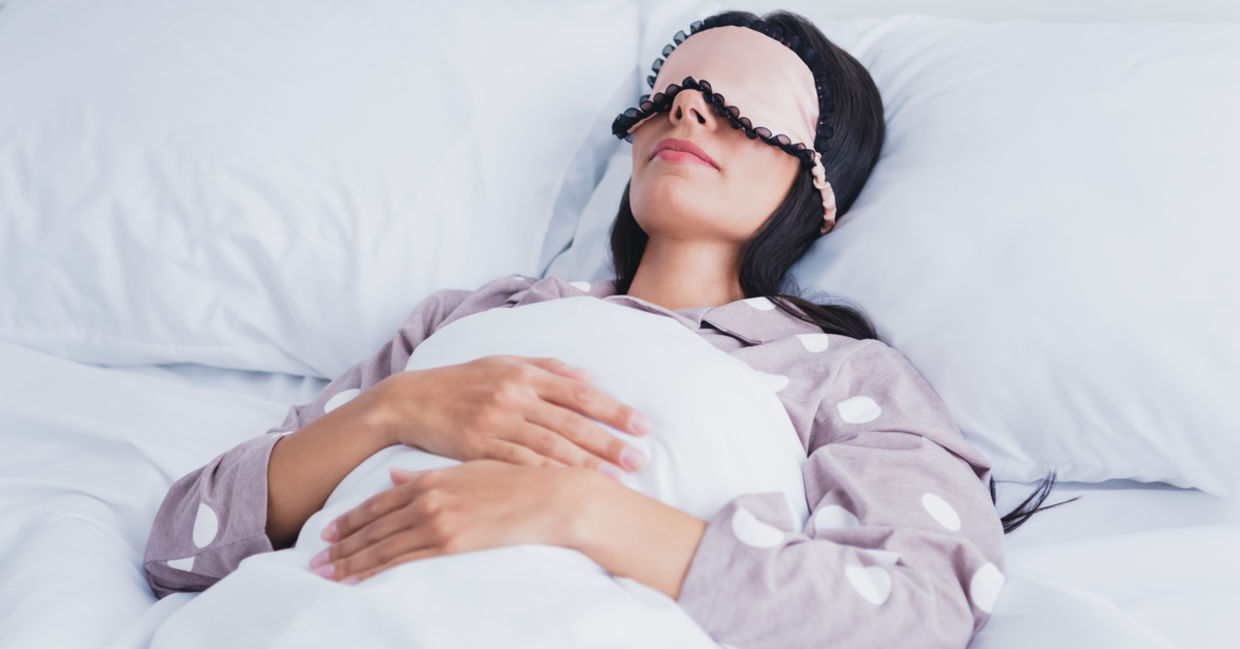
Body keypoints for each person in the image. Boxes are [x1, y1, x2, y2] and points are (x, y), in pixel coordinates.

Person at [143, 9, 1072, 648]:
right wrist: (393, 410)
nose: (689, 108)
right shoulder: (475, 316)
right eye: (672, 91)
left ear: (818, 178)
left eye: (742, 104)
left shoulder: (840, 373)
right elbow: (183, 541)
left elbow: (914, 611)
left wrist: (576, 511)